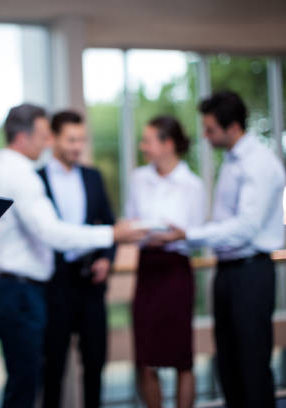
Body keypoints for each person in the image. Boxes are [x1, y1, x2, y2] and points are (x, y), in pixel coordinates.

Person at [0, 104, 146, 408]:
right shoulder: (23, 176)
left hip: (7, 288)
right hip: (22, 292)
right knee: (27, 385)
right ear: (23, 137)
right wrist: (111, 234)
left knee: (22, 382)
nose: (47, 143)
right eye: (43, 135)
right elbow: (52, 233)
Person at [150, 91, 286, 408]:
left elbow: (245, 227)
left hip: (251, 273)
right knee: (228, 365)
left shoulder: (258, 163)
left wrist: (188, 235)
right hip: (228, 272)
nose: (205, 136)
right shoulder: (232, 161)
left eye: (210, 129)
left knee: (252, 368)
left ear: (233, 126)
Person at [38, 110, 116, 408]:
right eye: (71, 139)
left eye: (81, 140)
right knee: (53, 367)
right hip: (54, 285)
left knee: (96, 363)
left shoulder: (93, 177)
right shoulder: (38, 180)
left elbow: (109, 223)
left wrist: (107, 259)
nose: (77, 146)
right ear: (54, 139)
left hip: (92, 283)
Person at [126, 116, 206, 408]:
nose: (142, 146)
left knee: (181, 356)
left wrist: (173, 236)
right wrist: (142, 233)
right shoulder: (138, 179)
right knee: (146, 358)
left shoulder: (192, 185)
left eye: (148, 141)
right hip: (147, 269)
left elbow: (195, 233)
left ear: (167, 144)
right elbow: (131, 224)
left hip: (176, 271)